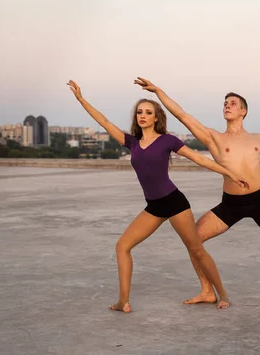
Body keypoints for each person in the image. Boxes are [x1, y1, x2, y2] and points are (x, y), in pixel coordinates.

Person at [134, 77, 260, 305]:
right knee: (194, 240)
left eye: (232, 103)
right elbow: (182, 115)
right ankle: (207, 291)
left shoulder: (256, 139)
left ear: (243, 111)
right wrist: (158, 92)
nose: (227, 105)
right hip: (230, 204)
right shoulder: (214, 137)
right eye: (225, 102)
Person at [67, 80, 249, 312]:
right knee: (122, 246)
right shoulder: (131, 143)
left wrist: (230, 173)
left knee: (196, 249)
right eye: (140, 112)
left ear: (156, 118)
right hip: (153, 206)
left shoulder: (167, 141)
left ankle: (221, 294)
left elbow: (199, 158)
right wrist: (81, 99)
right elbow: (103, 121)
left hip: (174, 203)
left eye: (148, 112)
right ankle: (123, 301)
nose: (143, 116)